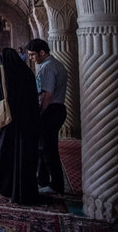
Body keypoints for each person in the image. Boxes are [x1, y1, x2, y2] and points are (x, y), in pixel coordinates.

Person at [0, 48, 40, 204]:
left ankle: (6, 186)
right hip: (25, 125)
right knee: (22, 156)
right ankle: (22, 189)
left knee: (4, 155)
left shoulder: (0, 73)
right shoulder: (26, 73)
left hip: (6, 126)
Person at [27, 38, 68, 194]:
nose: (31, 58)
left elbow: (47, 94)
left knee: (47, 149)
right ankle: (43, 180)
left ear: (42, 53)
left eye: (32, 55)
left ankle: (56, 184)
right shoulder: (53, 64)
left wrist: (40, 114)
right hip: (56, 109)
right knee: (45, 147)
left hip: (51, 110)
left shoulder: (48, 67)